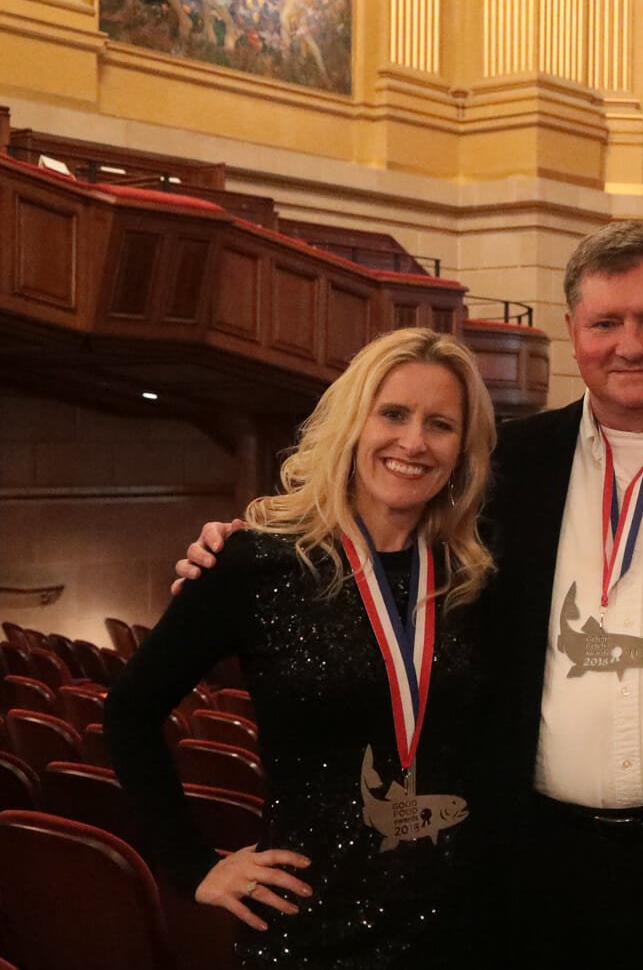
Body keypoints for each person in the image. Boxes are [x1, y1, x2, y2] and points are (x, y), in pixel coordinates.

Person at [177, 221, 643, 968]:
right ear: (573, 333)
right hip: (534, 865)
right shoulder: (506, 464)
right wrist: (249, 544)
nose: (629, 344)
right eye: (606, 322)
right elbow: (381, 533)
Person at [109, 328, 498, 968]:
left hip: (462, 924)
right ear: (352, 424)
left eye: (441, 425)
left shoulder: (478, 573)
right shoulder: (253, 562)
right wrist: (192, 866)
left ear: (463, 450)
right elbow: (129, 714)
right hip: (309, 924)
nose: (414, 442)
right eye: (393, 414)